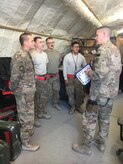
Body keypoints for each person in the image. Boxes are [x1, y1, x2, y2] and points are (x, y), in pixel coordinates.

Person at [72, 26, 122, 155]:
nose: (95, 37)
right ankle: (101, 144)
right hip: (110, 94)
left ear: (104, 34)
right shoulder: (115, 50)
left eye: (97, 34)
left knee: (89, 119)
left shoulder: (103, 50)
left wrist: (89, 71)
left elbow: (98, 75)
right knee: (105, 119)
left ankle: (86, 147)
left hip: (98, 94)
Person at [10, 33, 40, 151]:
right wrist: (15, 90)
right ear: (26, 42)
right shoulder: (20, 56)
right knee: (25, 118)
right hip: (23, 93)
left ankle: (26, 135)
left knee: (28, 116)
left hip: (28, 92)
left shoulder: (26, 54)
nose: (33, 43)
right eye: (32, 41)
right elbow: (15, 77)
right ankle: (25, 143)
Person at [30, 36, 51, 128]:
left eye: (43, 42)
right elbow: (30, 70)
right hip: (36, 80)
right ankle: (34, 118)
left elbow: (45, 66)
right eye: (40, 42)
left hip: (44, 78)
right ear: (35, 44)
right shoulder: (32, 55)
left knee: (43, 97)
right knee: (35, 98)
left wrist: (46, 75)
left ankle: (41, 112)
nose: (43, 44)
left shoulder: (44, 54)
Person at [63, 41, 86, 114]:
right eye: (75, 46)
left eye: (78, 47)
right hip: (69, 78)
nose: (77, 48)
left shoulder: (81, 57)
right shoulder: (67, 56)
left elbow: (85, 67)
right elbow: (64, 68)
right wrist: (65, 78)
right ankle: (72, 106)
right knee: (70, 93)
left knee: (79, 93)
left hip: (78, 78)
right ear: (71, 48)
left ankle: (78, 106)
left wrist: (84, 78)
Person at [44, 37, 62, 110]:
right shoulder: (44, 53)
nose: (51, 44)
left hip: (56, 76)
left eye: (52, 42)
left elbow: (59, 63)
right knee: (47, 92)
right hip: (48, 76)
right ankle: (44, 106)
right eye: (49, 43)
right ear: (46, 44)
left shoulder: (58, 52)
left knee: (56, 90)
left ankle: (55, 103)